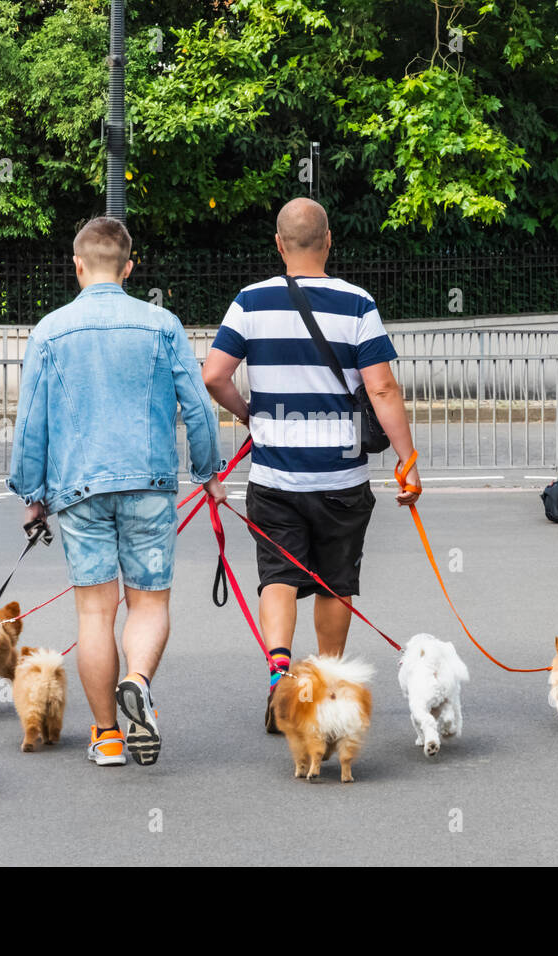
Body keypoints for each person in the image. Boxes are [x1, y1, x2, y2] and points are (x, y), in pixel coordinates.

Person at [7, 216, 227, 767]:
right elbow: (199, 407)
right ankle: (138, 681)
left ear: (77, 265)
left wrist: (32, 495)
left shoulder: (50, 331)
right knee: (148, 603)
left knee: (94, 614)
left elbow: (30, 419)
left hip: (78, 489)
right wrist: (209, 473)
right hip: (150, 484)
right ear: (129, 268)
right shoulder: (162, 324)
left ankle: (106, 736)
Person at [201, 197, 420, 733]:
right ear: (329, 241)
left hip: (274, 477)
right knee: (333, 581)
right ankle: (323, 682)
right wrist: (407, 459)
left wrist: (252, 415)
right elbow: (383, 386)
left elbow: (213, 375)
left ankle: (280, 670)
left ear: (278, 244)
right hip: (341, 479)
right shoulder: (357, 303)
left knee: (278, 574)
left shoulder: (250, 302)